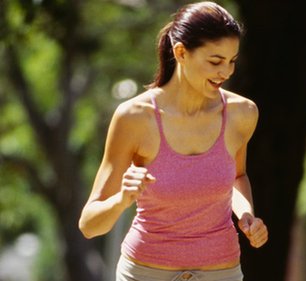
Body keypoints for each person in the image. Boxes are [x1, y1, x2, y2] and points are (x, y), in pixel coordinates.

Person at [78, 2, 268, 280]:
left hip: (222, 272)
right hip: (145, 273)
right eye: (215, 61)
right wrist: (123, 199)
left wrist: (246, 214)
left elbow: (237, 177)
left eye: (232, 61)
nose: (226, 72)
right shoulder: (135, 117)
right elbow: (89, 225)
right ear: (181, 52)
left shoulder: (242, 114)